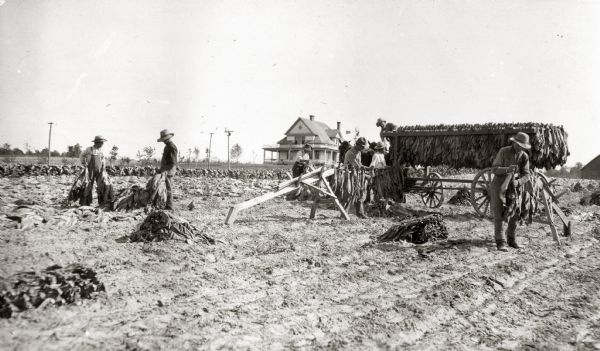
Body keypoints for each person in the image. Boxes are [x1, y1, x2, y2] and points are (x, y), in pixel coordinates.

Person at [489, 132, 532, 251]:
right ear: (513, 142)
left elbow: (526, 174)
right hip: (499, 186)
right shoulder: (504, 151)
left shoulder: (524, 156)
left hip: (515, 187)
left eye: (522, 146)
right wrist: (507, 169)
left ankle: (511, 240)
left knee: (516, 213)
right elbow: (494, 169)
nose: (520, 148)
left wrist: (519, 182)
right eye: (518, 145)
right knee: (500, 214)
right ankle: (500, 241)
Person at [344, 137, 368, 218]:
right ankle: (344, 213)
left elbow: (359, 164)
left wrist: (365, 167)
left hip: (357, 175)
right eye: (362, 147)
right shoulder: (350, 153)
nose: (362, 148)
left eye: (363, 147)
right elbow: (356, 165)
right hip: (349, 176)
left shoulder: (359, 152)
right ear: (357, 145)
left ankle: (360, 213)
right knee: (349, 194)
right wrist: (363, 168)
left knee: (359, 193)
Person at [80, 135, 108, 206]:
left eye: (103, 143)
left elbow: (103, 159)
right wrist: (83, 162)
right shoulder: (89, 149)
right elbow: (82, 155)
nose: (102, 144)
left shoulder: (101, 150)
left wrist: (103, 166)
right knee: (88, 185)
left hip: (99, 170)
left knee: (101, 185)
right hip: (90, 170)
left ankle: (101, 202)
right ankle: (86, 202)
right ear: (97, 143)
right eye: (102, 143)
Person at [157, 129, 178, 211]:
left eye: (164, 140)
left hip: (169, 170)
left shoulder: (172, 147)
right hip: (166, 169)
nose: (163, 142)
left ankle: (170, 206)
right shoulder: (167, 146)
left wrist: (166, 170)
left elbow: (173, 162)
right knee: (165, 188)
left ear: (167, 138)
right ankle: (167, 204)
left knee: (168, 188)